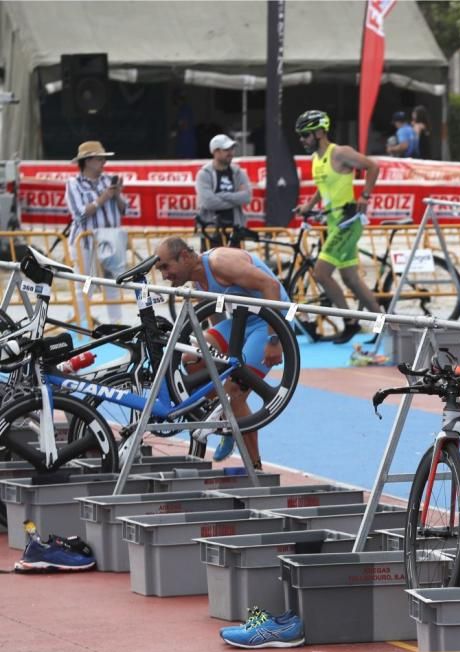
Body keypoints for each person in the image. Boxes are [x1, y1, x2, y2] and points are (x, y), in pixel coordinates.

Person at [154, 237, 289, 470]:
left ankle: (254, 465)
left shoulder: (221, 263)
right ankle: (226, 418)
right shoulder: (197, 281)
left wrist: (274, 339)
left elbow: (272, 287)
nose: (165, 275)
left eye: (166, 266)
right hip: (240, 323)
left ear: (185, 256)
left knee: (234, 393)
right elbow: (215, 317)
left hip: (268, 323)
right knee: (191, 360)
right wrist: (214, 355)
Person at [294, 110, 382, 343]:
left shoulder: (340, 153)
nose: (302, 140)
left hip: (348, 222)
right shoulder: (316, 160)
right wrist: (308, 205)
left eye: (305, 135)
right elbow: (321, 188)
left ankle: (350, 322)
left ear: (320, 132)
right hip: (334, 223)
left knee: (321, 273)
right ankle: (384, 324)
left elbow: (373, 167)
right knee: (351, 278)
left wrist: (364, 196)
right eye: (301, 136)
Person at [64, 140, 127, 324]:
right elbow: (79, 215)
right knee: (85, 285)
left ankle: (117, 326)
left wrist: (117, 196)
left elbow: (124, 209)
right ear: (88, 161)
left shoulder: (109, 181)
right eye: (100, 159)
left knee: (113, 284)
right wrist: (104, 198)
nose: (103, 163)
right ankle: (83, 324)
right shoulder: (73, 184)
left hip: (110, 242)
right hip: (85, 243)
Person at [195, 134, 251, 239]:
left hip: (235, 231)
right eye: (226, 149)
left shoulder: (239, 172)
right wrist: (235, 199)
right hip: (211, 233)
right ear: (215, 152)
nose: (231, 153)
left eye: (232, 149)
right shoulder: (204, 174)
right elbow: (209, 202)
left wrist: (221, 195)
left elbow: (247, 197)